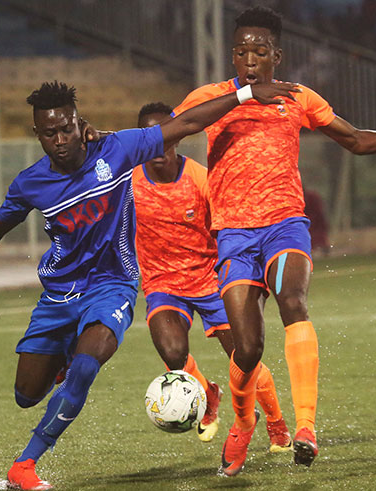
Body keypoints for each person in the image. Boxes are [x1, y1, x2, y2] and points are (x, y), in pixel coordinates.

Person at [0, 79, 299, 491]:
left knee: (86, 366)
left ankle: (25, 465)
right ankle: (59, 360)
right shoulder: (30, 183)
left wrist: (246, 94)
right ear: (37, 134)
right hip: (59, 295)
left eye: (66, 129)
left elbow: (184, 124)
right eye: (49, 133)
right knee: (26, 394)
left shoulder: (117, 150)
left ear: (81, 124)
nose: (59, 140)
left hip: (114, 286)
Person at [171, 6, 376, 476]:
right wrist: (241, 96)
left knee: (293, 301)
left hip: (284, 223)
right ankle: (243, 422)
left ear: (277, 55)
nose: (251, 60)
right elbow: (176, 129)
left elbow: (356, 140)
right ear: (232, 57)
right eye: (242, 52)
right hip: (235, 235)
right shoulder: (215, 98)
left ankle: (305, 428)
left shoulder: (298, 98)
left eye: (260, 51)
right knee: (249, 347)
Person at [132, 102, 292, 450]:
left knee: (245, 359)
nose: (158, 146)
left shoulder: (201, 180)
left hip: (211, 281)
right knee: (173, 353)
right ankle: (206, 393)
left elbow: (231, 229)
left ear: (177, 135)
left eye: (165, 136)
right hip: (163, 286)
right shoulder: (127, 185)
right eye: (149, 138)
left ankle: (278, 426)